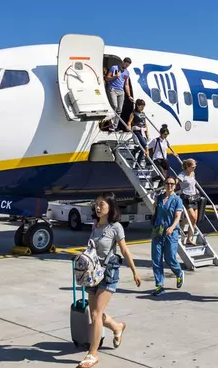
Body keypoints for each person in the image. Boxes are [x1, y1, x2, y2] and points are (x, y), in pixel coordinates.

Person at [79, 193, 141, 368]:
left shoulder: (116, 227)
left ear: (110, 207)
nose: (98, 207)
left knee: (97, 314)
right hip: (93, 274)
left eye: (102, 204)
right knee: (94, 314)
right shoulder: (95, 225)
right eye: (96, 204)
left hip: (109, 273)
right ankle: (117, 327)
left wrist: (135, 272)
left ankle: (92, 354)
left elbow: (125, 250)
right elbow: (91, 249)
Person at [150, 176, 184, 296]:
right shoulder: (159, 198)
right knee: (156, 259)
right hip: (158, 231)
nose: (169, 186)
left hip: (171, 232)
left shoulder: (177, 200)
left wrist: (172, 227)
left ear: (175, 186)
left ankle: (179, 272)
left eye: (172, 184)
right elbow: (155, 211)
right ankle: (159, 285)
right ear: (164, 184)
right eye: (167, 183)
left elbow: (177, 216)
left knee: (170, 258)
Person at [177, 158, 200, 245]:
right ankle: (181, 226)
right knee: (192, 217)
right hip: (186, 198)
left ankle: (189, 239)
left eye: (195, 166)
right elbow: (176, 181)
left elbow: (193, 184)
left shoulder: (192, 174)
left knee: (194, 220)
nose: (195, 168)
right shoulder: (182, 175)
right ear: (187, 167)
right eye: (193, 167)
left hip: (194, 197)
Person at [126, 99, 150, 166]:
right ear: (137, 105)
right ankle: (146, 153)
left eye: (143, 106)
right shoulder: (133, 113)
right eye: (141, 106)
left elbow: (145, 124)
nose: (142, 108)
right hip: (137, 131)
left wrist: (147, 133)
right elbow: (129, 121)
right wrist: (129, 126)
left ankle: (138, 162)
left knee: (142, 149)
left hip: (143, 131)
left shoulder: (143, 113)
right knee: (145, 145)